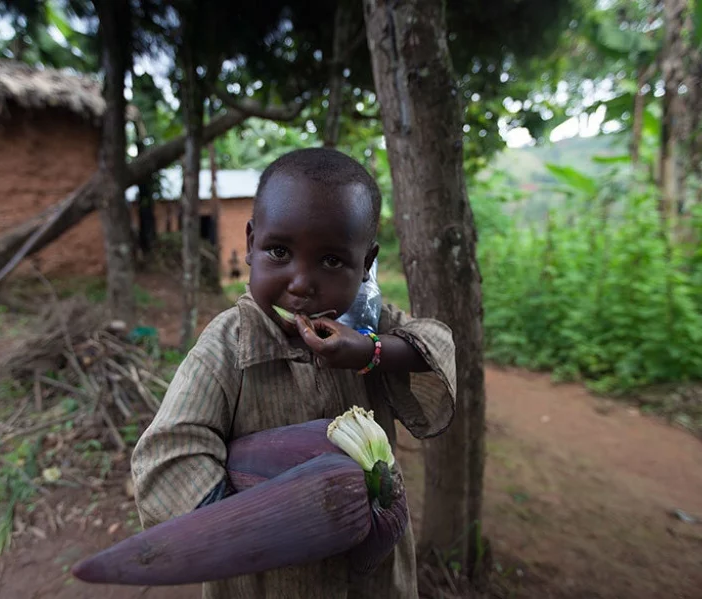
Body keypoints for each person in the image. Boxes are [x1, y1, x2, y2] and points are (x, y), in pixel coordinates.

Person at [131, 148, 457, 599]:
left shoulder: (366, 324)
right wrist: (261, 523)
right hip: (263, 581)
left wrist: (370, 351)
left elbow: (436, 345)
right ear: (250, 244)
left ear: (365, 264)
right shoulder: (229, 344)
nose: (301, 282)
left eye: (331, 261)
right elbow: (167, 456)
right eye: (279, 251)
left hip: (372, 579)